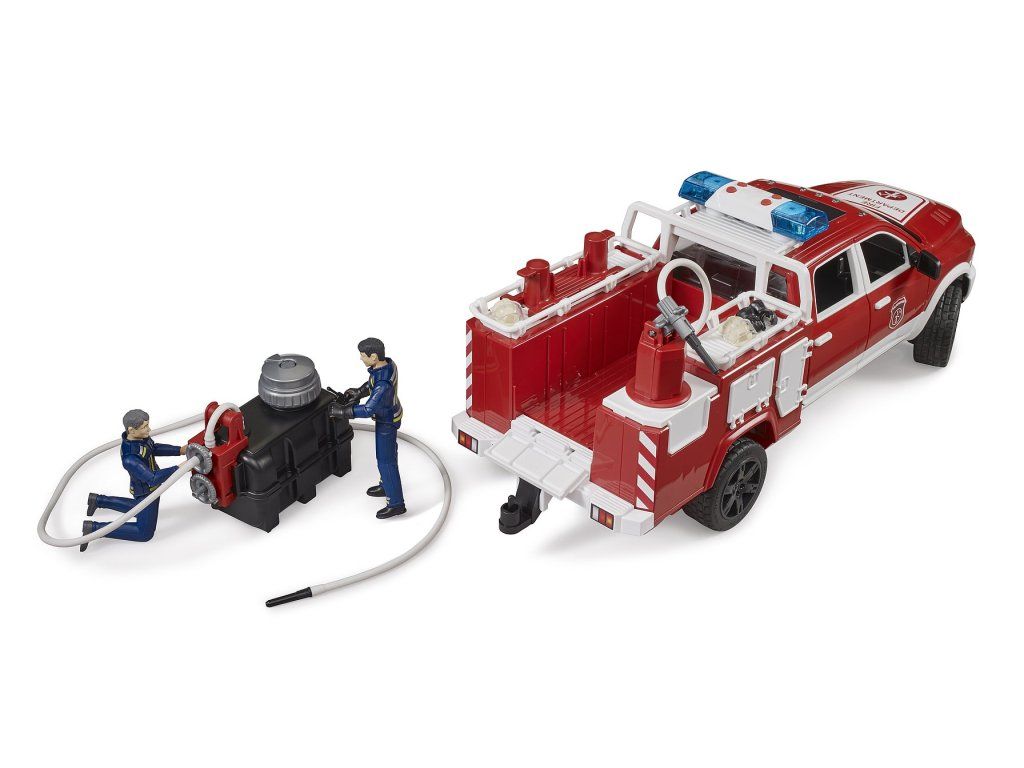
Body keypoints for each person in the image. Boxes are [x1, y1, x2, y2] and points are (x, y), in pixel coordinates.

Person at [81, 409, 186, 550]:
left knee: (139, 508)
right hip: (146, 490)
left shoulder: (141, 439)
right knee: (144, 533)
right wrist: (180, 468)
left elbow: (153, 448)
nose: (149, 429)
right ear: (131, 430)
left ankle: (98, 500)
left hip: (150, 488)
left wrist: (179, 450)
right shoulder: (130, 458)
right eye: (145, 427)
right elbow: (152, 479)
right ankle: (93, 529)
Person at [331, 338, 406, 519]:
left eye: (363, 355)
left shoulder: (383, 384)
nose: (360, 358)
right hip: (389, 414)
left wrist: (342, 411)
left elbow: (367, 409)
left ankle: (396, 503)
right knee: (387, 457)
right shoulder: (386, 366)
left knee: (386, 461)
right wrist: (359, 391)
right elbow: (372, 384)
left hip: (386, 422)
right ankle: (386, 484)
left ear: (373, 357)